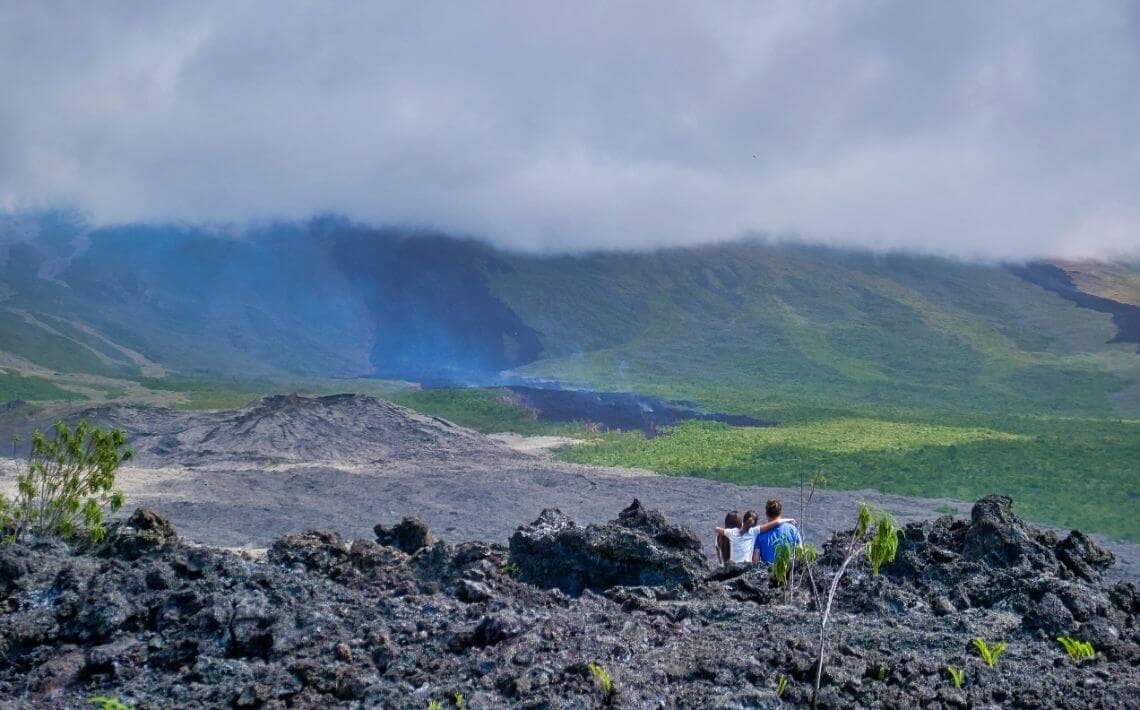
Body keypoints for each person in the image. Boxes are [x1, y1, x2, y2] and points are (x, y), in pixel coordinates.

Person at [715, 507, 796, 565]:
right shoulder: (754, 531)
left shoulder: (731, 532)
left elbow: (717, 529)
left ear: (743, 521)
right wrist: (788, 520)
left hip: (731, 567)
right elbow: (776, 522)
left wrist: (723, 532)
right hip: (745, 567)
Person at [753, 498, 803, 563]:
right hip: (790, 570)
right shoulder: (792, 530)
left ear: (766, 514)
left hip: (768, 571)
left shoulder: (760, 535)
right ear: (780, 512)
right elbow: (800, 552)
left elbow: (755, 560)